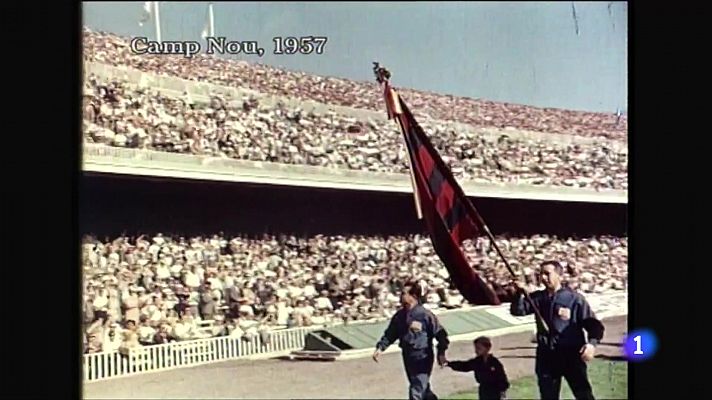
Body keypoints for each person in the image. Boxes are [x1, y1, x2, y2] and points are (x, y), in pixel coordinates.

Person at [510, 261, 604, 400]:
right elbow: (517, 311)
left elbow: (594, 325)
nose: (543, 277)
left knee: (583, 394)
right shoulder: (537, 298)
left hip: (571, 355)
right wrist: (518, 293)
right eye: (541, 274)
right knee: (548, 396)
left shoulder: (574, 298)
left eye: (547, 273)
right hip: (546, 357)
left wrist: (592, 344)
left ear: (559, 275)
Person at [373, 280, 449, 400]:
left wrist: (441, 353)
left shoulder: (425, 315)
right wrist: (380, 348)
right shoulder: (400, 316)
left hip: (422, 356)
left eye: (404, 293)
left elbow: (441, 335)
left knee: (417, 389)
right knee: (422, 388)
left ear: (413, 296)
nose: (401, 296)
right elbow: (391, 333)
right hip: (408, 355)